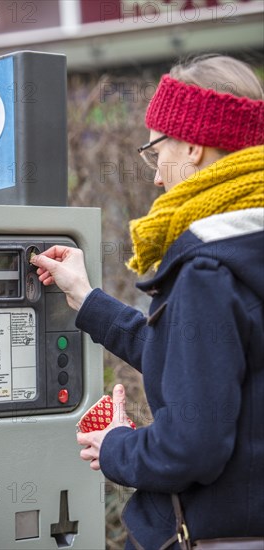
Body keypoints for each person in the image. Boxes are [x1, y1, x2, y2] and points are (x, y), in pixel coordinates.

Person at [31, 55, 264, 549]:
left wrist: (115, 444)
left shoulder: (209, 269)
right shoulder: (246, 252)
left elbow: (191, 449)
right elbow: (195, 355)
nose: (157, 176)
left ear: (194, 146)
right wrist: (86, 297)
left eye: (156, 149)